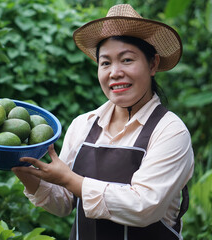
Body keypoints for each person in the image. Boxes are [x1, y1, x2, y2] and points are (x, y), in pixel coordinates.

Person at [12, 4, 194, 240]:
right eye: (105, 63)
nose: (115, 72)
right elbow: (63, 202)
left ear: (153, 64)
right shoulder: (83, 125)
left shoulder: (170, 131)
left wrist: (69, 178)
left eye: (127, 60)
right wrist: (17, 163)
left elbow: (144, 206)